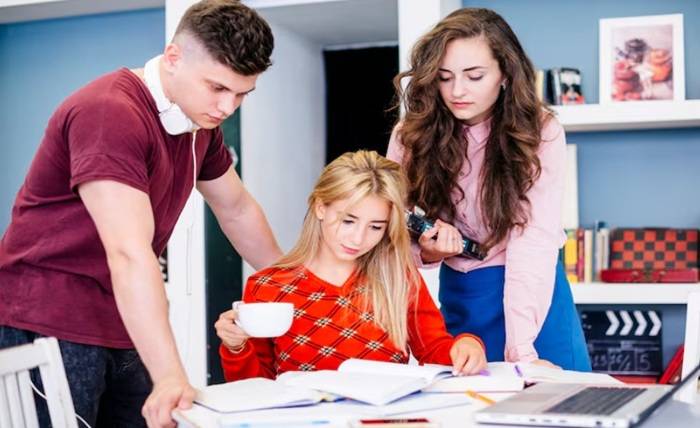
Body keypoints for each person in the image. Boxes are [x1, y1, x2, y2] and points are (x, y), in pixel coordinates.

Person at [0, 1, 282, 427]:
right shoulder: (110, 112)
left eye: (242, 94)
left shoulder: (199, 127)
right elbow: (129, 252)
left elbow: (236, 208)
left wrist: (294, 286)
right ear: (173, 58)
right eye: (217, 88)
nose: (228, 107)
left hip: (122, 317)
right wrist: (169, 375)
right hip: (50, 316)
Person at [387, 8, 591, 371]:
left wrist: (523, 350)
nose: (457, 91)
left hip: (535, 295)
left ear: (505, 74)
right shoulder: (411, 135)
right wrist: (427, 252)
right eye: (444, 77)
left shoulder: (541, 131)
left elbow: (533, 238)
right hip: (463, 292)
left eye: (474, 76)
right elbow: (390, 227)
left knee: (556, 398)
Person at [215, 151, 487, 381]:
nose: (358, 239)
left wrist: (466, 345)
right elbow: (254, 388)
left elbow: (435, 350)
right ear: (320, 207)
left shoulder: (398, 278)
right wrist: (236, 347)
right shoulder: (267, 286)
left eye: (375, 227)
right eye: (348, 221)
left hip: (382, 418)